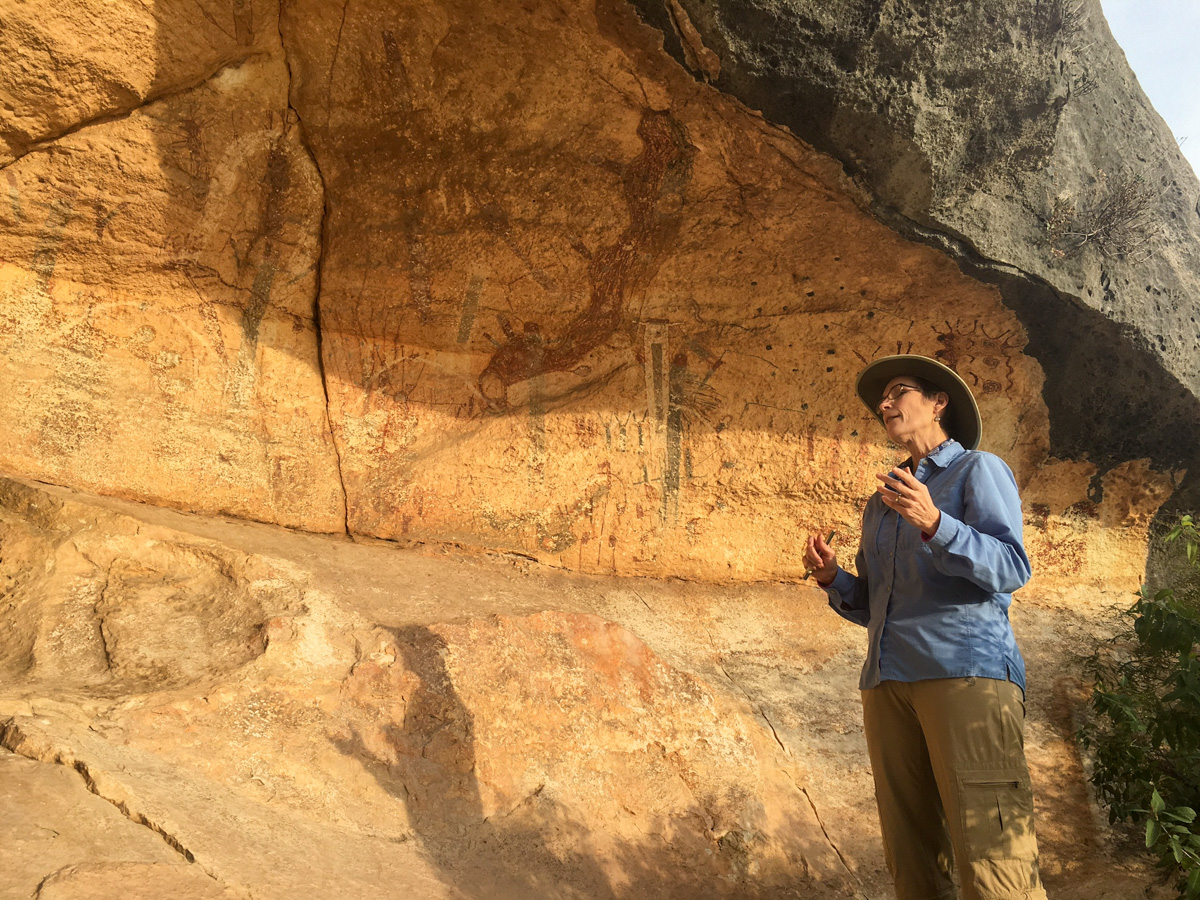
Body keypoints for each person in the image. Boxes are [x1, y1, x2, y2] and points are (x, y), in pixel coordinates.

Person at [803, 354, 1048, 900]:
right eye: (880, 401)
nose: (885, 404)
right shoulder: (882, 502)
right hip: (888, 680)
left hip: (965, 673)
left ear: (940, 403)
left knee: (992, 850)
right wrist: (834, 578)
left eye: (898, 391)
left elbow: (1011, 568)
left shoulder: (978, 470)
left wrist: (937, 523)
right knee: (910, 853)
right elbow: (876, 607)